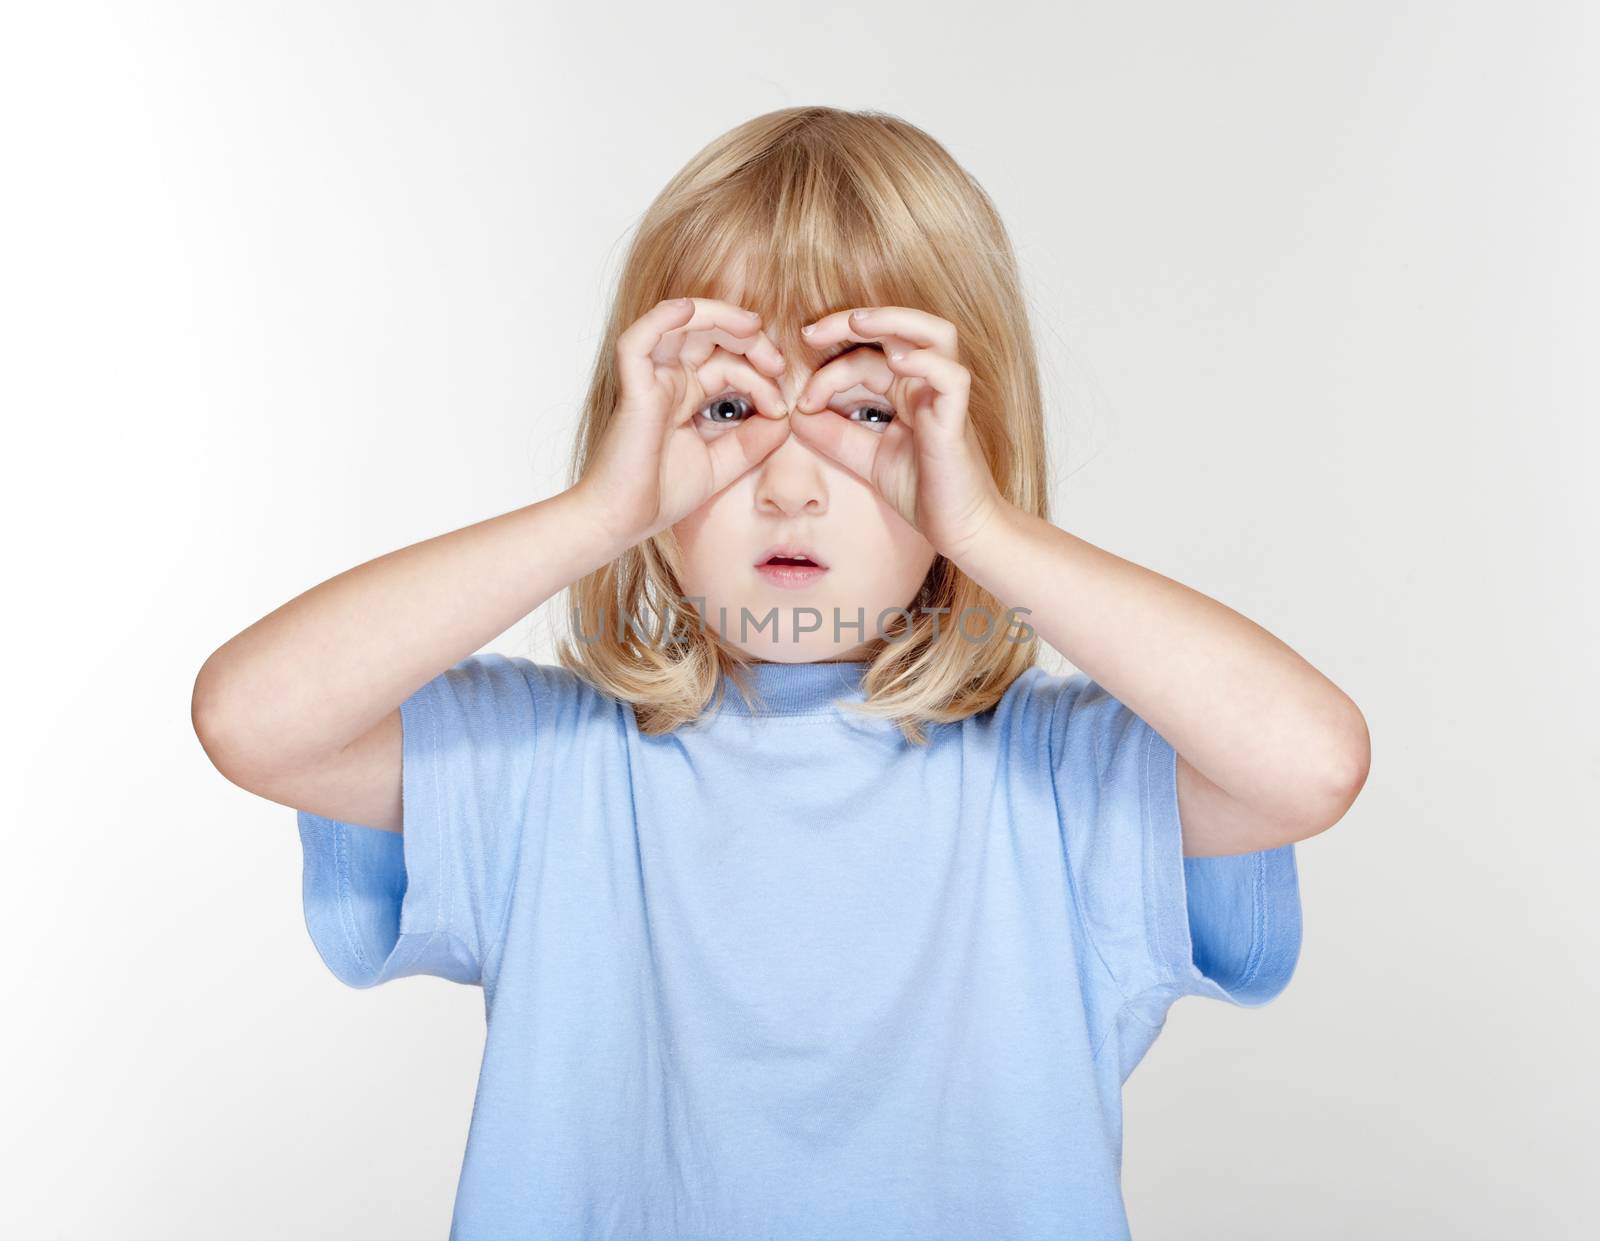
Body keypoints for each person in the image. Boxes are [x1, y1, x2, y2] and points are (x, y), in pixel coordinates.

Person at [193, 105, 1370, 1240]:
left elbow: (1310, 761)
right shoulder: (545, 768)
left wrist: (992, 532)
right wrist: (596, 514)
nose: (791, 482)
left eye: (867, 410)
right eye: (725, 407)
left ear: (969, 454)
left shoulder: (1061, 781)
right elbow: (256, 717)